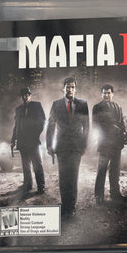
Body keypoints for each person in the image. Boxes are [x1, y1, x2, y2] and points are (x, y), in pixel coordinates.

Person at [46, 77, 89, 218]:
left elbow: (86, 127)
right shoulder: (56, 104)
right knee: (63, 177)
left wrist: (84, 145)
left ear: (75, 89)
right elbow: (51, 125)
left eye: (72, 87)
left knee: (73, 176)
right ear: (63, 88)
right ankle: (65, 205)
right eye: (68, 87)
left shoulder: (83, 104)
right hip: (62, 146)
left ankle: (72, 206)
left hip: (76, 146)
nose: (70, 89)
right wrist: (49, 145)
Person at [93, 84, 127, 204]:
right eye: (104, 93)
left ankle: (115, 193)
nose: (106, 95)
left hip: (117, 143)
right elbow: (96, 125)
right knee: (101, 170)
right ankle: (99, 196)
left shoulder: (118, 106)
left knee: (115, 171)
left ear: (112, 94)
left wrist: (124, 135)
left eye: (108, 93)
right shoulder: (97, 107)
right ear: (101, 94)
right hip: (105, 143)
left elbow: (122, 123)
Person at [10, 87, 46, 196]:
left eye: (27, 95)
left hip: (33, 141)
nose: (26, 97)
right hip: (22, 142)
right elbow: (16, 126)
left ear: (30, 95)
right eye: (24, 95)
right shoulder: (18, 109)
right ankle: (28, 185)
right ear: (22, 96)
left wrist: (35, 135)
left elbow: (42, 121)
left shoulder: (37, 105)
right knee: (26, 166)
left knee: (37, 165)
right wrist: (13, 140)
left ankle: (41, 186)